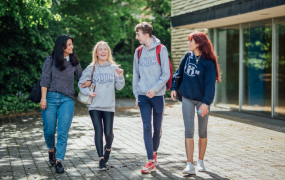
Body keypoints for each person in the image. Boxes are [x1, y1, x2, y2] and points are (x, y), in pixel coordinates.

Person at [170, 31, 221, 174]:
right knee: (189, 130)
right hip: (187, 98)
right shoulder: (187, 56)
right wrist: (174, 87)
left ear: (198, 43)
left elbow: (210, 85)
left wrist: (206, 103)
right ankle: (189, 164)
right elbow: (178, 73)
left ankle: (200, 161)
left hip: (202, 102)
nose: (188, 43)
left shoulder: (208, 63)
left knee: (202, 131)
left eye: (190, 41)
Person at [40, 35, 91, 173]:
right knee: (49, 130)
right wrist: (43, 98)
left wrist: (89, 82)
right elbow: (44, 79)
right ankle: (51, 149)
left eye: (72, 44)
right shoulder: (50, 60)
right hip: (49, 98)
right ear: (61, 46)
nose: (71, 47)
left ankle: (59, 160)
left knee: (63, 131)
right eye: (69, 45)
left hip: (67, 100)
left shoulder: (74, 62)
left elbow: (81, 79)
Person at [78, 41, 125, 170]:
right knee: (98, 130)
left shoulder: (113, 68)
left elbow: (119, 87)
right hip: (94, 106)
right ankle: (101, 159)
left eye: (105, 49)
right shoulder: (91, 68)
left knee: (108, 133)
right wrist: (88, 92)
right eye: (101, 49)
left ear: (108, 52)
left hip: (109, 106)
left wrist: (120, 76)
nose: (103, 51)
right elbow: (81, 83)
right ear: (97, 53)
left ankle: (108, 148)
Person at [132, 22, 170, 174]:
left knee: (157, 128)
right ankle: (150, 160)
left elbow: (166, 74)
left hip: (158, 95)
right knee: (146, 127)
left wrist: (155, 89)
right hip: (143, 96)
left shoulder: (162, 49)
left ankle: (154, 152)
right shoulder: (138, 51)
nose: (137, 37)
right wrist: (136, 94)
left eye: (138, 34)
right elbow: (136, 74)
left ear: (146, 35)